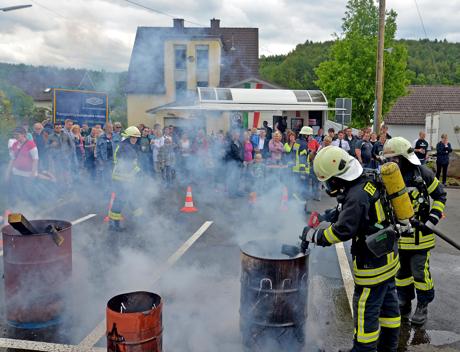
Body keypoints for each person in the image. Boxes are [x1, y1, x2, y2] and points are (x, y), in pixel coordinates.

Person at [303, 146, 400, 352]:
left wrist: (312, 236)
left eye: (329, 181)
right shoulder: (368, 177)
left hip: (372, 265)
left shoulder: (356, 196)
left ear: (337, 178)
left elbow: (341, 231)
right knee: (389, 309)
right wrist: (324, 216)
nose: (329, 186)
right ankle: (389, 347)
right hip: (389, 257)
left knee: (366, 312)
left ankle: (363, 349)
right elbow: (348, 209)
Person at [383, 137, 447, 325]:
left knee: (420, 272)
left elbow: (440, 195)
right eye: (388, 160)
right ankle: (404, 301)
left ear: (403, 157)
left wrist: (431, 220)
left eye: (394, 159)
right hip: (400, 236)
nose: (390, 163)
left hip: (421, 237)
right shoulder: (389, 177)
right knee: (401, 274)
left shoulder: (423, 174)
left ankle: (423, 305)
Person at [109, 126, 142, 232]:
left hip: (127, 178)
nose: (135, 139)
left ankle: (140, 219)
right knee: (120, 200)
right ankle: (114, 225)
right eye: (133, 137)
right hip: (120, 179)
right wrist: (139, 171)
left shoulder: (128, 146)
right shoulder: (125, 147)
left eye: (136, 137)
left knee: (130, 197)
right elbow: (127, 164)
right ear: (128, 137)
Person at [6, 127, 39, 206]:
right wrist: (8, 172)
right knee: (18, 192)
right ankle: (20, 207)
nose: (15, 136)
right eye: (14, 135)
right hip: (16, 173)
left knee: (28, 192)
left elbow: (35, 159)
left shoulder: (31, 144)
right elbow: (12, 159)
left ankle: (33, 208)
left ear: (23, 134)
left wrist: (33, 173)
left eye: (17, 135)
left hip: (28, 174)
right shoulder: (14, 144)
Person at [96, 123, 115, 190]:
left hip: (114, 161)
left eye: (112, 127)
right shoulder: (100, 137)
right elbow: (97, 151)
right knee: (106, 177)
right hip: (105, 161)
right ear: (105, 129)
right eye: (110, 127)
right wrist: (100, 161)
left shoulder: (116, 136)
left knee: (114, 178)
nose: (112, 128)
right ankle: (106, 192)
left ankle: (114, 191)